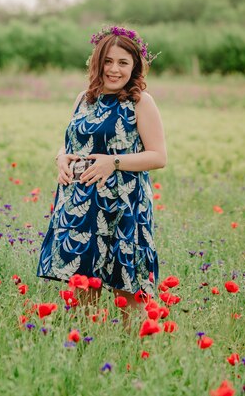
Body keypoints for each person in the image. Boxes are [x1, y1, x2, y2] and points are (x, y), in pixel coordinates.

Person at [37, 25, 167, 326]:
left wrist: (114, 162)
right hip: (81, 203)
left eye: (123, 62)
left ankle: (134, 352)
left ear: (135, 65)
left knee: (129, 286)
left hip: (123, 204)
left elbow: (158, 156)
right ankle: (87, 351)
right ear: (97, 62)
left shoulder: (140, 102)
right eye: (108, 61)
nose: (114, 69)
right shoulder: (84, 98)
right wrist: (61, 157)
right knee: (83, 285)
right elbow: (72, 141)